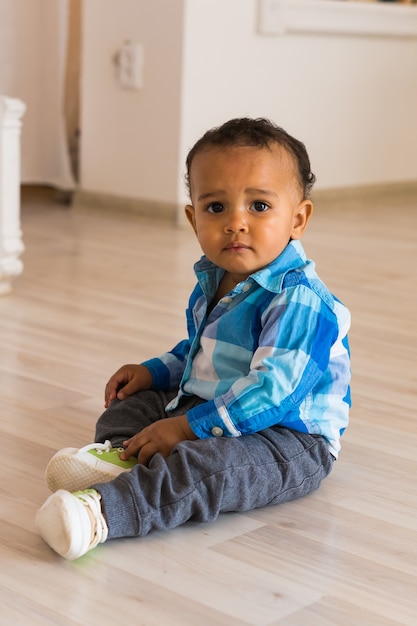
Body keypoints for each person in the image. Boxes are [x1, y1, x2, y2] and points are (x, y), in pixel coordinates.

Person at [36, 117, 351, 560]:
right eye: (216, 207)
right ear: (193, 217)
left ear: (298, 218)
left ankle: (105, 512)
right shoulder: (215, 280)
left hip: (287, 437)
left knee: (209, 470)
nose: (235, 223)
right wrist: (152, 372)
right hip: (215, 406)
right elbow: (203, 354)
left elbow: (272, 393)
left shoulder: (300, 300)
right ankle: (116, 456)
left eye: (259, 206)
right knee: (132, 404)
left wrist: (186, 428)